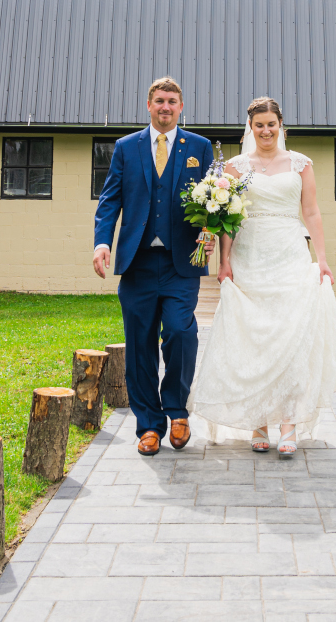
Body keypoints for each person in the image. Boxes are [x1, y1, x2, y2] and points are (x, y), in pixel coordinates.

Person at [188, 97, 336, 457]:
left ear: (280, 126)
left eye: (271, 124)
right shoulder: (237, 167)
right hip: (250, 254)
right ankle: (258, 422)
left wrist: (322, 259)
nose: (266, 130)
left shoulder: (300, 164)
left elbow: (312, 212)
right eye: (259, 125)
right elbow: (228, 219)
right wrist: (224, 262)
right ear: (251, 128)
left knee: (289, 336)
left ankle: (288, 423)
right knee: (254, 336)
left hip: (289, 253)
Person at [93, 77, 214, 456]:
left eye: (172, 101)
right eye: (159, 100)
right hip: (137, 262)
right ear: (149, 105)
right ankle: (148, 425)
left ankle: (177, 410)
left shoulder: (198, 147)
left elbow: (213, 199)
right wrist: (101, 241)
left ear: (181, 106)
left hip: (181, 264)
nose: (166, 107)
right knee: (140, 344)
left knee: (181, 333)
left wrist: (210, 230)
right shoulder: (126, 148)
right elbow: (110, 198)